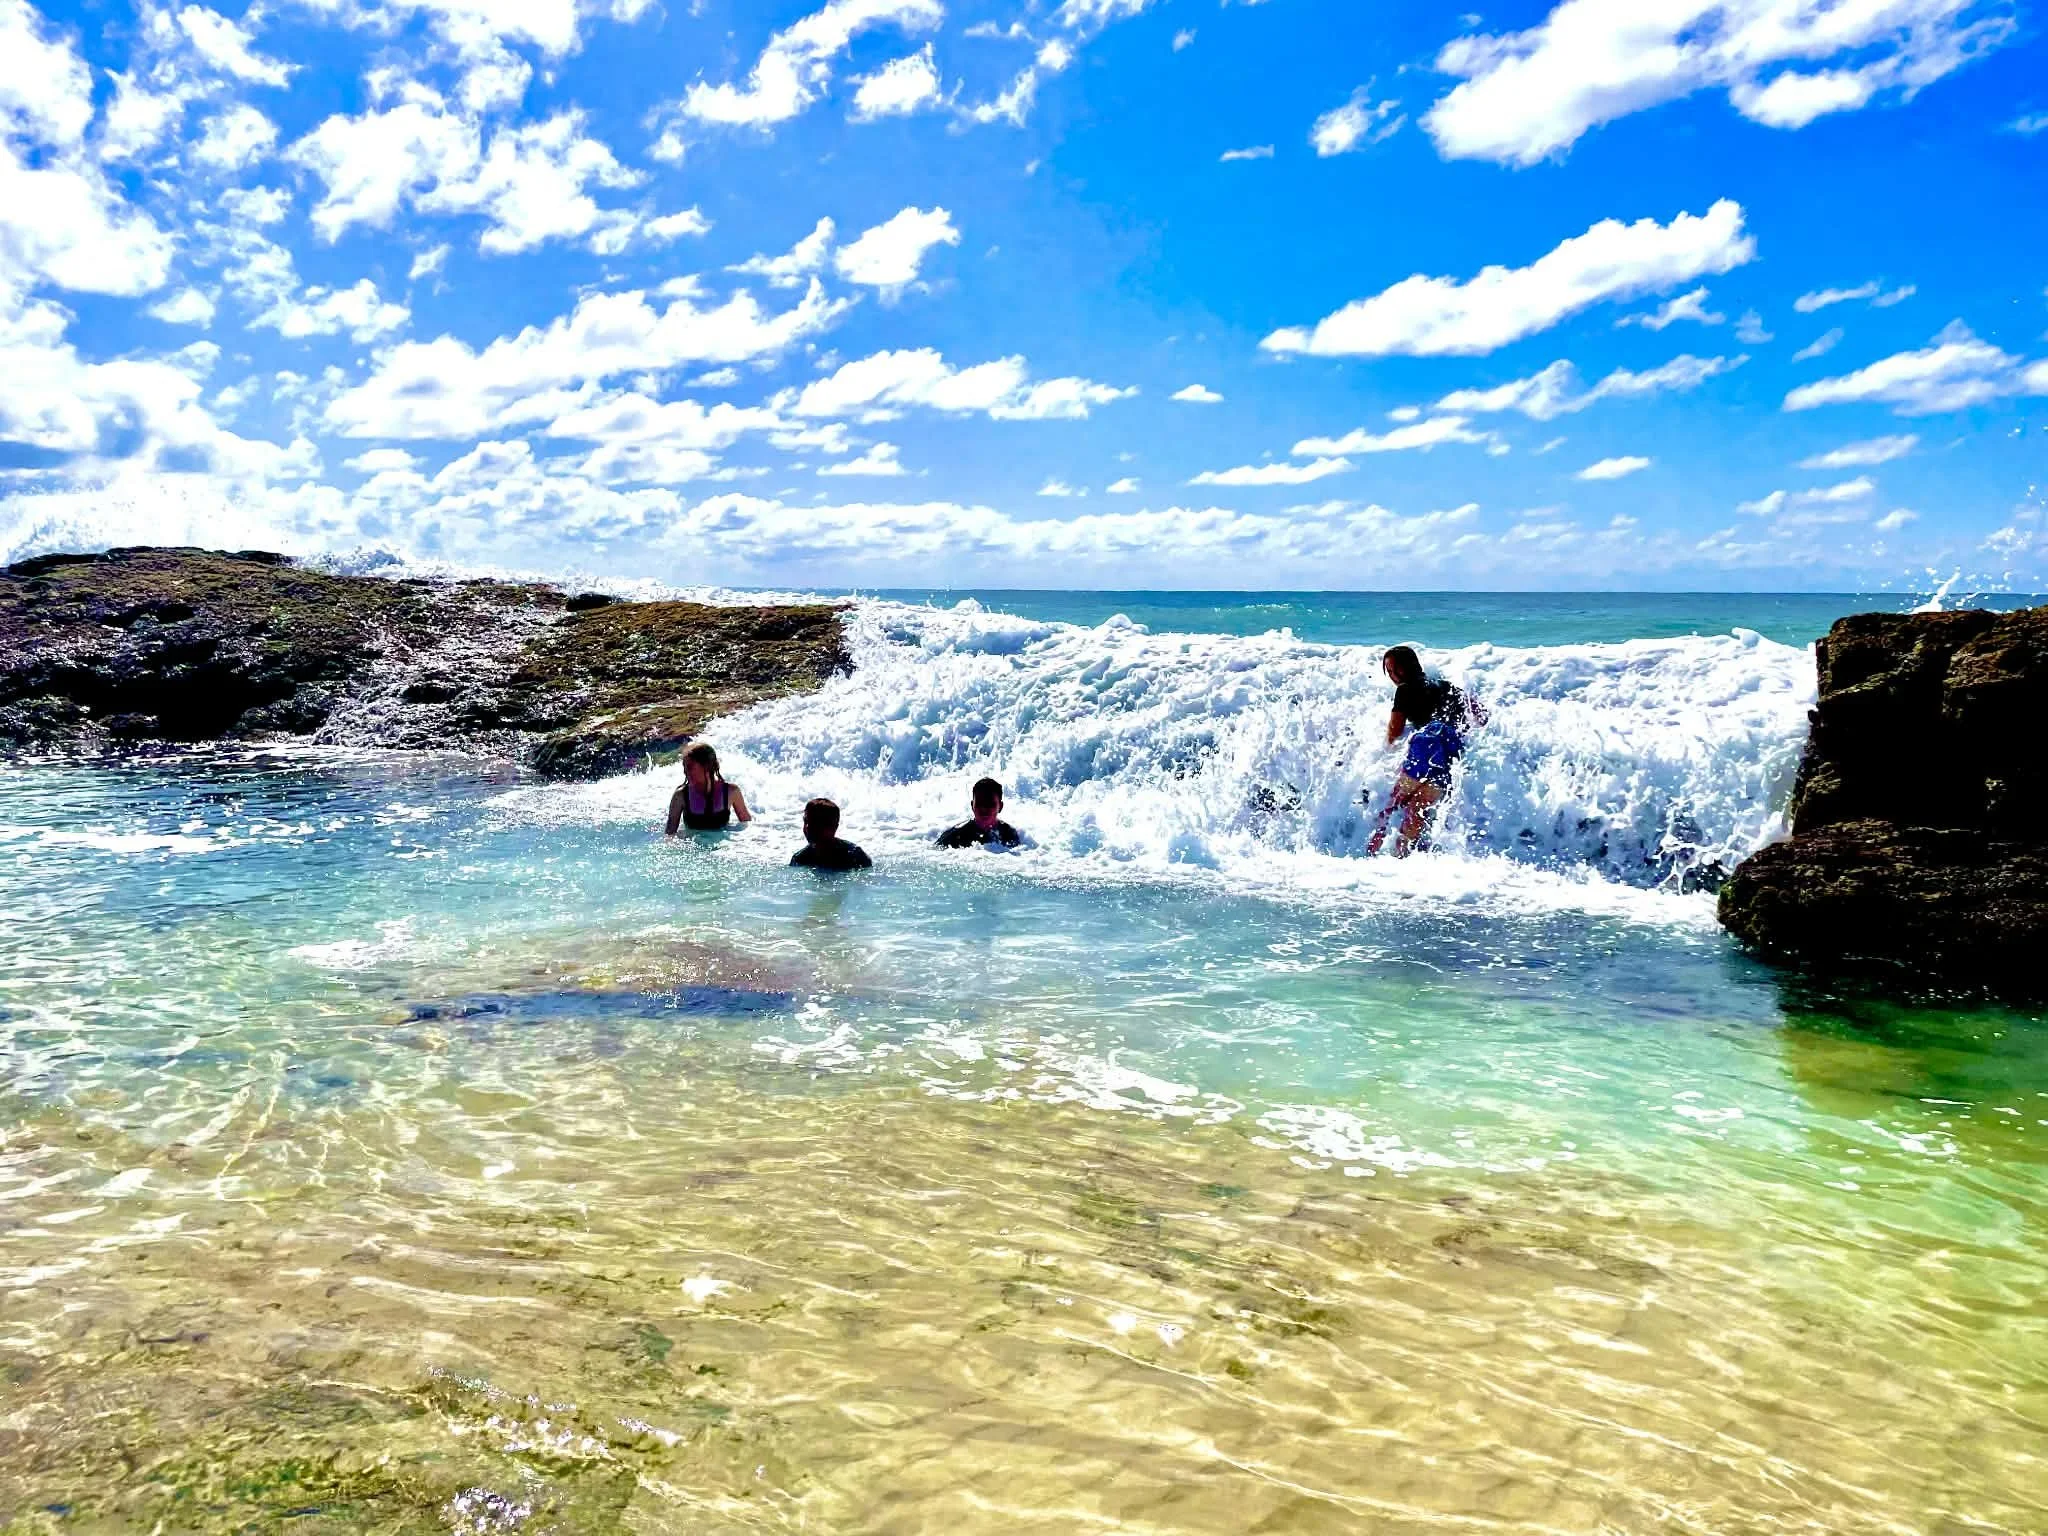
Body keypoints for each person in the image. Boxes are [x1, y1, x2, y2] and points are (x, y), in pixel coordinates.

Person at [1367, 645, 1485, 857]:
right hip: (1450, 753)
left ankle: (1371, 854)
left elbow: (1395, 730)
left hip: (1426, 746)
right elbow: (1481, 714)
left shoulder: (1404, 689)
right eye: (1390, 672)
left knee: (1394, 803)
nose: (1393, 676)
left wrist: (1383, 752)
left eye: (1394, 670)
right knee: (1417, 809)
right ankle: (1401, 858)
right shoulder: (1447, 686)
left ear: (1406, 668)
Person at [665, 743, 751, 835]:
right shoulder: (681, 795)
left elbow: (747, 826)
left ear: (706, 766)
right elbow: (669, 834)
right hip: (693, 846)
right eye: (684, 767)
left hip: (725, 846)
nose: (685, 771)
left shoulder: (731, 792)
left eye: (690, 767)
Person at [937, 777, 1022, 849]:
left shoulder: (1009, 834)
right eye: (979, 803)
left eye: (990, 804)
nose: (984, 808)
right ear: (972, 806)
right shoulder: (954, 836)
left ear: (1000, 807)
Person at [791, 797, 872, 871]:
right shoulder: (799, 859)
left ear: (834, 828)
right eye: (806, 821)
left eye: (814, 823)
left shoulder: (855, 856)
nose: (807, 827)